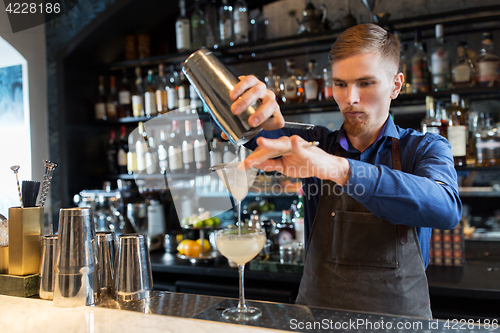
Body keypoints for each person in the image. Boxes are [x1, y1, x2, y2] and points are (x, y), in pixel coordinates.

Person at [218, 23, 462, 318]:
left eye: (366, 83)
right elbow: (247, 132)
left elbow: (445, 208)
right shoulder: (314, 142)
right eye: (340, 84)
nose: (351, 98)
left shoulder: (424, 148)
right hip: (316, 322)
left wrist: (341, 169)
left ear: (396, 85)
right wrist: (248, 108)